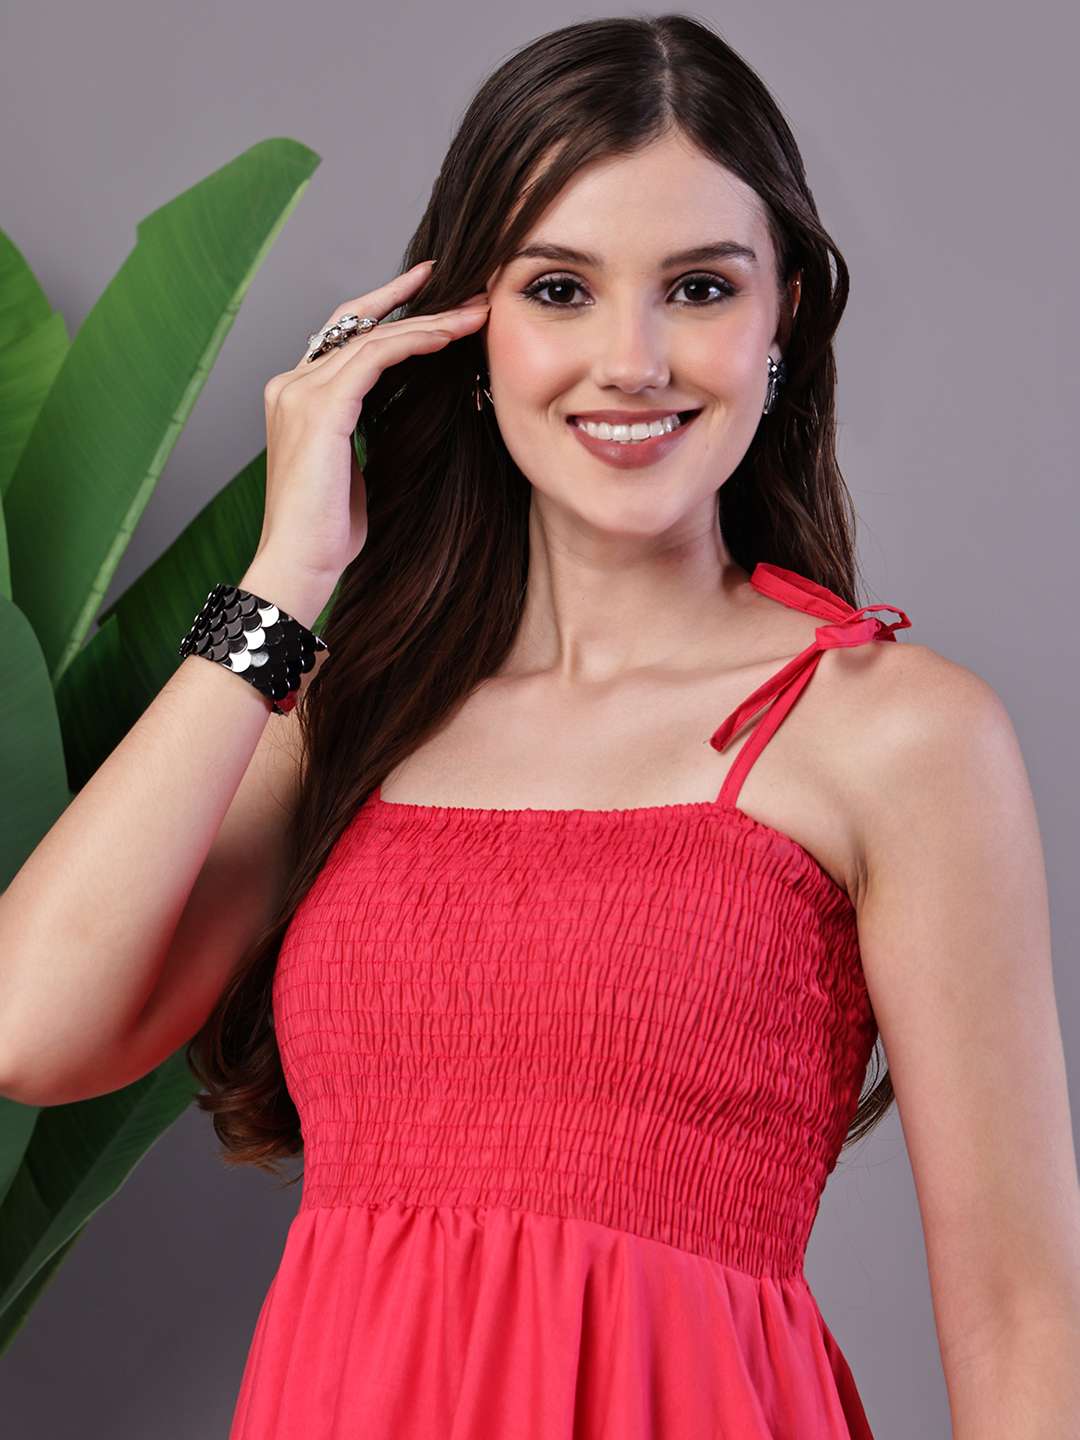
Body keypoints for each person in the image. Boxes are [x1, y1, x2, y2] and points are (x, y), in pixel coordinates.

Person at [3, 13, 1075, 1440]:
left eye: (700, 287)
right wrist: (285, 578)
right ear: (465, 328)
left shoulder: (897, 734)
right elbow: (30, 1029)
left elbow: (1018, 1306)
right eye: (560, 288)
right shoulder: (349, 711)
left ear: (783, 323)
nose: (630, 360)